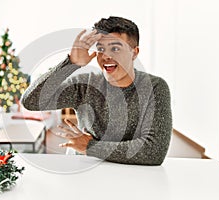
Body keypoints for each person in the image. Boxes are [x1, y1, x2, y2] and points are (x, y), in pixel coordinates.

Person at [21, 16, 172, 165]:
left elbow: (154, 151)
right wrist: (71, 64)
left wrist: (89, 146)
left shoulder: (155, 87)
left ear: (134, 53)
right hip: (81, 172)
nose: (105, 56)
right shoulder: (85, 84)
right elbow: (31, 102)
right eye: (100, 49)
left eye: (115, 48)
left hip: (128, 178)